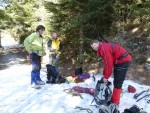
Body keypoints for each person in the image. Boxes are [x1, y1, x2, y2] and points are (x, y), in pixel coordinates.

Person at [90, 40, 132, 113]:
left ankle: (115, 102)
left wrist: (106, 77)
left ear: (97, 43)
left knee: (118, 83)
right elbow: (107, 63)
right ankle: (115, 98)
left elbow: (109, 64)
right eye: (92, 47)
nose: (94, 48)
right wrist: (104, 75)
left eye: (94, 45)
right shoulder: (103, 48)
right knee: (117, 81)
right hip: (119, 61)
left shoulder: (103, 48)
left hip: (123, 61)